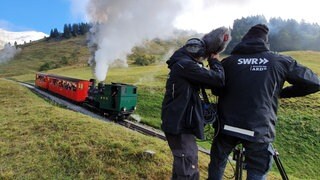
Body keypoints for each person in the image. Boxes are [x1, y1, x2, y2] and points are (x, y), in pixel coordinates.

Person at [207, 24, 320, 180]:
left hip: (226, 127)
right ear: (265, 41)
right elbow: (314, 83)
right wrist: (281, 93)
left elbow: (216, 90)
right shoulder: (279, 60)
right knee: (257, 172)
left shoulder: (228, 62)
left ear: (244, 40)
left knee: (217, 165)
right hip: (258, 129)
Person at [161, 36, 226, 179]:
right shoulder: (186, 66)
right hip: (180, 124)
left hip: (178, 122)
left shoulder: (181, 64)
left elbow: (208, 81)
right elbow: (218, 80)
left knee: (182, 164)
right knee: (188, 167)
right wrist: (214, 60)